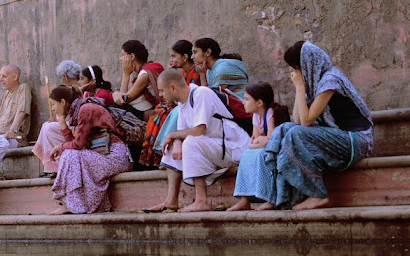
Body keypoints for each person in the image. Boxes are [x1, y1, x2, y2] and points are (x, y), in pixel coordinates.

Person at [263, 41, 374, 210]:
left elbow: (306, 122)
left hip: (356, 140)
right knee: (284, 129)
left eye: (294, 67)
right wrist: (299, 89)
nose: (292, 72)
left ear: (306, 64)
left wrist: (300, 87)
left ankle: (318, 195)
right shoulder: (313, 85)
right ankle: (281, 196)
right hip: (337, 136)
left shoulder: (331, 80)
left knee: (296, 134)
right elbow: (298, 121)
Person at [145, 69, 250, 212]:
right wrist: (174, 141)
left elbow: (199, 130)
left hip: (234, 147)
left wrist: (173, 135)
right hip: (214, 147)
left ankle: (201, 201)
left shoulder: (201, 93)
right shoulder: (182, 104)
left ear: (173, 87)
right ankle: (171, 201)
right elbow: (180, 133)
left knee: (191, 142)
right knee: (172, 147)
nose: (161, 95)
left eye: (162, 91)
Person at [48, 86, 132, 215]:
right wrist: (63, 125)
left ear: (63, 102)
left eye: (53, 104)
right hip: (102, 155)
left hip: (116, 156)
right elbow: (76, 144)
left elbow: (78, 145)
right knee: (70, 154)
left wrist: (60, 147)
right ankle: (74, 204)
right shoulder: (78, 111)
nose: (53, 108)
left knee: (69, 154)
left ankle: (71, 204)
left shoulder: (85, 109)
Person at [229, 83, 290, 211]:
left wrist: (259, 142)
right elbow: (254, 141)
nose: (243, 102)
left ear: (259, 103)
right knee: (246, 155)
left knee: (263, 155)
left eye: (246, 99)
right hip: (267, 146)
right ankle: (244, 199)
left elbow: (272, 141)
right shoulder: (256, 116)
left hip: (282, 148)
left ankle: (271, 199)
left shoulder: (271, 113)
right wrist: (258, 142)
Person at [140, 40, 201, 168]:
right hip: (179, 104)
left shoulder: (195, 72)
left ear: (185, 57)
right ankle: (155, 155)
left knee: (164, 112)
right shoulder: (181, 73)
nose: (171, 59)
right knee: (159, 110)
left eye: (174, 56)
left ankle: (162, 154)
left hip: (190, 106)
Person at [32, 60, 82, 177]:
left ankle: (56, 165)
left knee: (49, 128)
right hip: (71, 123)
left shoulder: (76, 89)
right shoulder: (70, 89)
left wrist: (62, 121)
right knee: (46, 125)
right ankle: (50, 166)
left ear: (64, 76)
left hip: (77, 127)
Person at [112, 39, 164, 120]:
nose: (120, 59)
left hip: (158, 113)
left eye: (123, 55)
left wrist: (126, 74)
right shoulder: (143, 71)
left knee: (115, 109)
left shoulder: (145, 73)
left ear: (132, 56)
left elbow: (123, 101)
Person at [0, 64, 32, 148]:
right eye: (0, 76)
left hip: (13, 138)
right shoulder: (6, 94)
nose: (0, 79)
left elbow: (22, 111)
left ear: (15, 77)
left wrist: (12, 130)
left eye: (4, 76)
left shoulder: (23, 88)